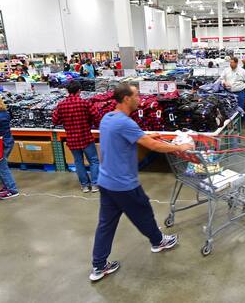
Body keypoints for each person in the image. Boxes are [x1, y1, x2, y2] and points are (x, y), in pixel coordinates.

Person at [90, 83, 193, 282]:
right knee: (144, 212)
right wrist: (182, 146)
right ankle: (158, 242)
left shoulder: (108, 118)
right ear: (127, 99)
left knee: (106, 224)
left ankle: (98, 266)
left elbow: (129, 137)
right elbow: (153, 146)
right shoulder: (126, 123)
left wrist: (146, 135)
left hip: (106, 181)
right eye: (137, 95)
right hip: (124, 184)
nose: (140, 99)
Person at [53, 80, 100, 193]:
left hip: (72, 139)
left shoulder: (61, 105)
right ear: (79, 91)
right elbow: (97, 116)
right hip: (86, 137)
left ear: (67, 91)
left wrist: (65, 121)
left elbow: (55, 120)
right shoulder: (85, 103)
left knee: (78, 162)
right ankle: (94, 185)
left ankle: (84, 185)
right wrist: (92, 123)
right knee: (93, 161)